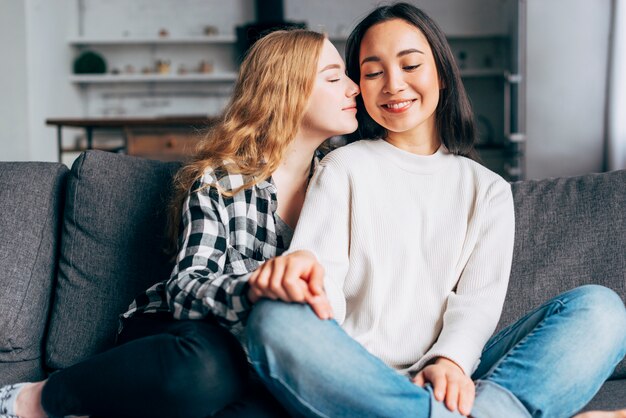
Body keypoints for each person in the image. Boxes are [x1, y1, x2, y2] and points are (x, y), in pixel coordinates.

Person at [243, 3, 626, 418]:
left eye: (410, 65)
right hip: (360, 374)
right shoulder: (342, 168)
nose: (393, 84)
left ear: (441, 74)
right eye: (373, 73)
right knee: (274, 321)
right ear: (360, 88)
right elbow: (322, 282)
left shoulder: (488, 190)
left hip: (454, 376)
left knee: (600, 309)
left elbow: (475, 305)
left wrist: (449, 363)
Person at [0, 29, 356, 418]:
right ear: (289, 90)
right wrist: (256, 288)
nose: (353, 88)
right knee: (207, 369)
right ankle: (33, 399)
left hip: (262, 356)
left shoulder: (340, 184)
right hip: (183, 332)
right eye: (335, 77)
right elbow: (186, 288)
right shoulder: (223, 180)